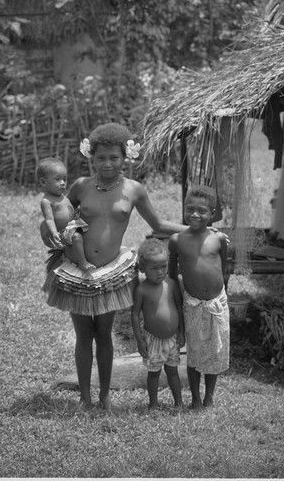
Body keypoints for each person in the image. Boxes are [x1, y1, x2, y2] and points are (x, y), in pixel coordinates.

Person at [40, 123, 188, 412]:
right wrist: (43, 226)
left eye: (114, 158)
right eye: (101, 158)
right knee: (83, 334)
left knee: (104, 334)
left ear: (126, 157)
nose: (107, 164)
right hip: (76, 268)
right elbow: (60, 213)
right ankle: (85, 396)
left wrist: (200, 228)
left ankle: (104, 395)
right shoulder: (81, 186)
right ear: (91, 158)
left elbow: (157, 225)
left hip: (109, 272)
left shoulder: (134, 190)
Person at [168, 184, 230, 410]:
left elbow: (224, 268)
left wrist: (221, 294)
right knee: (194, 352)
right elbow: (172, 275)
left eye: (202, 211)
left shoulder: (219, 239)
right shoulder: (176, 240)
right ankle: (195, 397)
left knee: (215, 350)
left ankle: (209, 397)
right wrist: (176, 301)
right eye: (190, 209)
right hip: (192, 304)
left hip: (217, 302)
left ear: (212, 214)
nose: (195, 214)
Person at [131, 238, 185, 410]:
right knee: (153, 374)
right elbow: (134, 315)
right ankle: (153, 404)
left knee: (173, 372)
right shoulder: (142, 290)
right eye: (154, 268)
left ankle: (179, 403)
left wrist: (182, 332)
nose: (160, 272)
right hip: (152, 340)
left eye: (163, 266)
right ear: (142, 269)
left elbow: (179, 307)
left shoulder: (171, 284)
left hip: (173, 339)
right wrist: (139, 340)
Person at [37, 157, 95, 271]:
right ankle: (82, 262)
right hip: (63, 231)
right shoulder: (47, 201)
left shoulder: (62, 196)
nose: (63, 183)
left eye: (64, 179)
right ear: (43, 182)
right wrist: (54, 233)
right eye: (58, 179)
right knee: (76, 237)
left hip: (73, 225)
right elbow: (49, 219)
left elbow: (68, 209)